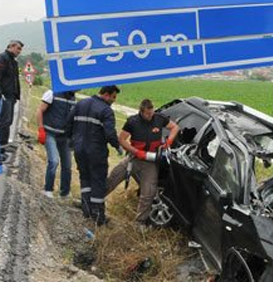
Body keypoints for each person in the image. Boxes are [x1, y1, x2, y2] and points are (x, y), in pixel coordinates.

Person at [106, 99, 179, 226]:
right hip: (134, 159)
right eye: (148, 114)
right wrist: (136, 151)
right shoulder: (132, 122)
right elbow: (122, 139)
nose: (151, 116)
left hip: (150, 163)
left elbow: (175, 127)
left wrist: (168, 142)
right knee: (114, 177)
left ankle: (139, 223)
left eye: (152, 113)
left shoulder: (159, 118)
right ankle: (92, 201)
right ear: (141, 112)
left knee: (148, 192)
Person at [66, 85, 122, 225]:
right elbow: (110, 133)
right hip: (96, 152)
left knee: (85, 178)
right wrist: (118, 146)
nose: (114, 100)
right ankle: (97, 216)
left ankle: (86, 210)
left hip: (79, 149)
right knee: (98, 182)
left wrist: (72, 141)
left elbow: (68, 123)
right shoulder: (106, 110)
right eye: (114, 97)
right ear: (107, 95)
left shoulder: (81, 104)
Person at [36, 88, 76, 199]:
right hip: (50, 133)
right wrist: (41, 130)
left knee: (67, 165)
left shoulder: (73, 98)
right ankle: (48, 189)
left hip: (64, 136)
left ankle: (64, 193)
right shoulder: (52, 93)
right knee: (54, 161)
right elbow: (40, 110)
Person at [0, 40, 23, 148]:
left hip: (11, 96)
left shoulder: (13, 61)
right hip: (5, 95)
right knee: (5, 122)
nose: (20, 51)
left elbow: (15, 80)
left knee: (8, 121)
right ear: (11, 46)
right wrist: (0, 94)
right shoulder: (2, 58)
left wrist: (17, 95)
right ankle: (1, 147)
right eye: (18, 48)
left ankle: (3, 145)